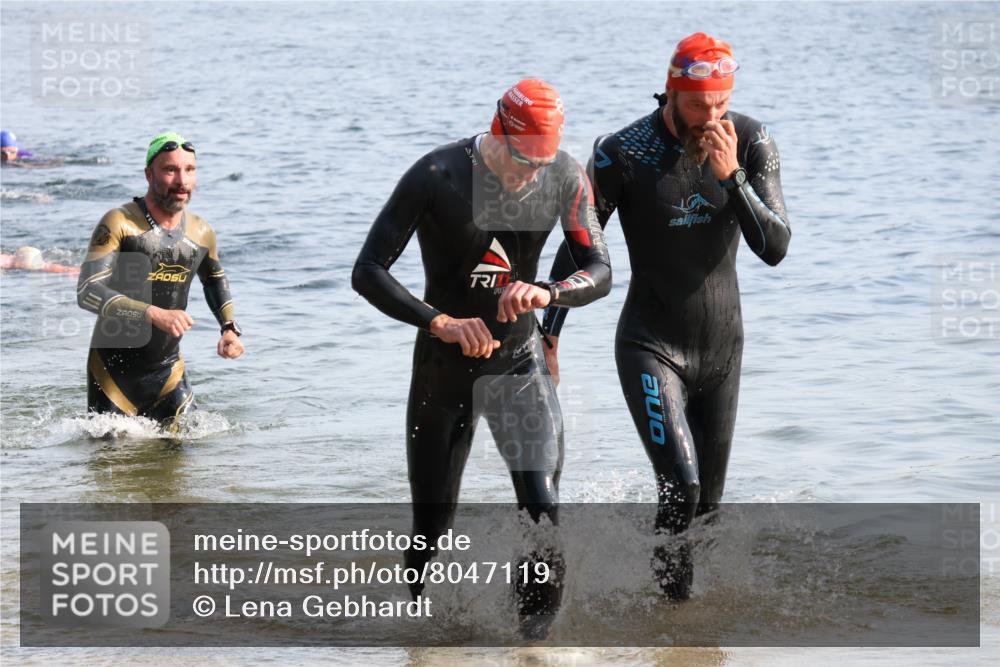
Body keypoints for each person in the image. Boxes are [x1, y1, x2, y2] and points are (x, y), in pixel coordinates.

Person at [352, 79, 611, 637]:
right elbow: (368, 270)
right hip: (443, 372)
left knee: (542, 510)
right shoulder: (437, 175)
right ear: (499, 133)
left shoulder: (564, 174)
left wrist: (548, 292)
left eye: (542, 163)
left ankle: (531, 646)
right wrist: (439, 322)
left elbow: (600, 270)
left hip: (519, 364)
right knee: (430, 528)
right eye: (523, 162)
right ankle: (418, 640)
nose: (533, 175)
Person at [542, 33, 791, 599]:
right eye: (699, 104)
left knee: (707, 506)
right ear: (672, 92)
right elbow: (581, 246)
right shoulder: (620, 153)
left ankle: (685, 633)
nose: (711, 117)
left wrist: (733, 178)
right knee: (681, 486)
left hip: (724, 351)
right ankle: (672, 621)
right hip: (651, 345)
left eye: (721, 104)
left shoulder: (752, 140)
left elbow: (775, 248)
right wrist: (548, 333)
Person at [77, 132, 244, 427]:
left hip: (169, 371)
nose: (182, 180)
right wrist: (152, 314)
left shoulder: (201, 232)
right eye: (170, 170)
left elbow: (215, 279)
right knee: (112, 466)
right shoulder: (120, 223)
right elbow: (88, 291)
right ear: (148, 173)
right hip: (115, 375)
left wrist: (228, 328)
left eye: (189, 170)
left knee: (190, 461)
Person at [1, 246, 79, 274]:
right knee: (46, 266)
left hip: (23, 260)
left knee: (46, 267)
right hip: (23, 253)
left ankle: (75, 271)